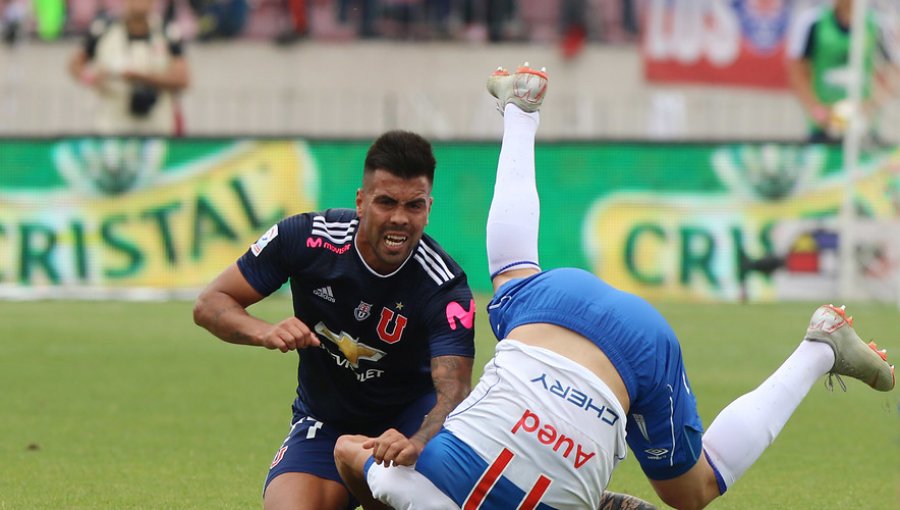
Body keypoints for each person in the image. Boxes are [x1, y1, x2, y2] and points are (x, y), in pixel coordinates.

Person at [333, 64, 895, 510]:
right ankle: (520, 112)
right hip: (563, 314)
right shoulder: (416, 495)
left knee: (693, 491)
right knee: (510, 275)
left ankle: (821, 347)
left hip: (631, 353)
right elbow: (347, 452)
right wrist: (388, 478)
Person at [193, 130, 476, 510]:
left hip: (409, 425)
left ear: (429, 207)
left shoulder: (443, 286)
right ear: (361, 202)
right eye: (386, 202)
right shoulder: (306, 239)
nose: (399, 219)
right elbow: (211, 303)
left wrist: (418, 440)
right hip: (326, 422)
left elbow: (455, 392)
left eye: (414, 206)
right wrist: (265, 331)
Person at [68, 0, 190, 136]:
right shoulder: (104, 28)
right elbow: (76, 64)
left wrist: (142, 78)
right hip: (112, 125)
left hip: (157, 126)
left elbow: (183, 79)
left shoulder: (167, 31)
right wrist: (91, 78)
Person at [786, 0, 896, 143]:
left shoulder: (877, 24)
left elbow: (894, 71)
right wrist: (818, 111)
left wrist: (870, 106)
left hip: (865, 128)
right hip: (823, 127)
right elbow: (797, 72)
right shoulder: (813, 22)